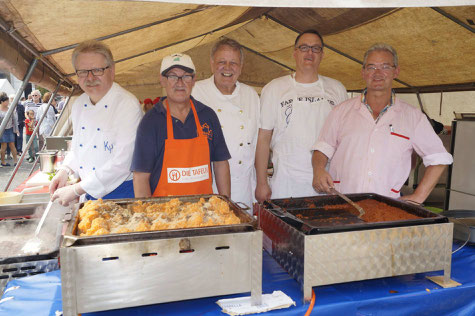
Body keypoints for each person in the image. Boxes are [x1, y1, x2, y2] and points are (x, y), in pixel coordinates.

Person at [312, 43, 453, 203]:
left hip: (386, 207)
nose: (378, 73)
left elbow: (439, 158)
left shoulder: (412, 116)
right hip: (342, 203)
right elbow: (323, 148)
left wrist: (418, 197)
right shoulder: (341, 111)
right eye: (371, 67)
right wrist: (318, 169)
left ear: (396, 71)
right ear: (363, 72)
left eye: (385, 66)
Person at [255, 30, 348, 202]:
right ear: (295, 53)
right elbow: (263, 139)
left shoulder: (337, 89)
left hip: (326, 183)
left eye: (316, 48)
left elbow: (343, 138)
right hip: (285, 183)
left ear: (322, 55)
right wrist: (261, 182)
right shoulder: (274, 88)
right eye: (304, 47)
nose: (310, 53)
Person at [50, 40, 143, 206]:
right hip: (89, 190)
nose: (90, 77)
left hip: (121, 193)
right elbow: (79, 147)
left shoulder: (127, 105)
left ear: (112, 70)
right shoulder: (78, 105)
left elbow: (123, 163)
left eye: (97, 70)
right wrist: (65, 170)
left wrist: (76, 189)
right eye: (83, 72)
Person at [132, 53, 231, 198]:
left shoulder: (207, 115)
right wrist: (148, 218)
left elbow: (221, 163)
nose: (180, 83)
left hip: (205, 213)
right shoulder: (151, 121)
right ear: (162, 80)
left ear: (194, 80)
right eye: (172, 76)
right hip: (164, 214)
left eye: (186, 76)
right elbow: (140, 176)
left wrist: (227, 204)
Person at [192, 38, 259, 211]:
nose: (227, 68)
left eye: (233, 63)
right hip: (207, 191)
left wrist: (258, 186)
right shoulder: (196, 92)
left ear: (241, 66)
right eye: (222, 62)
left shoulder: (251, 95)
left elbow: (257, 144)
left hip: (243, 190)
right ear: (212, 64)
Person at [0, 92, 19, 167]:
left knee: (12, 145)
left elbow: (14, 120)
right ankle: (3, 162)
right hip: (2, 130)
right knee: (3, 146)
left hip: (10, 129)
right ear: (2, 102)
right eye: (6, 101)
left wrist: (16, 129)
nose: (8, 103)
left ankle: (15, 161)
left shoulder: (10, 109)